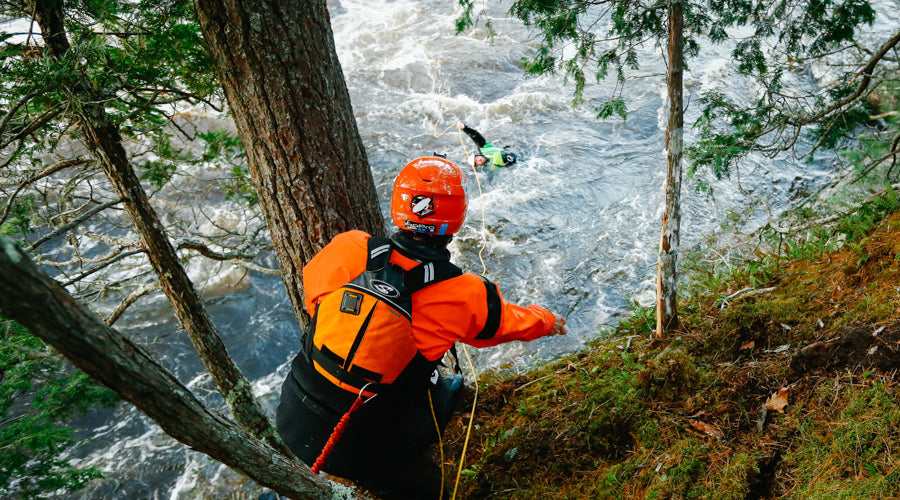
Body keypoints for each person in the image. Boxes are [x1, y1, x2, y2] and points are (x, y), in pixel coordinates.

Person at [275, 156, 566, 500]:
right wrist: (547, 320)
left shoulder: (348, 247)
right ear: (456, 218)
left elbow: (315, 300)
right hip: (367, 445)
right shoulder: (468, 291)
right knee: (426, 480)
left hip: (293, 419)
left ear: (400, 205)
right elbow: (501, 328)